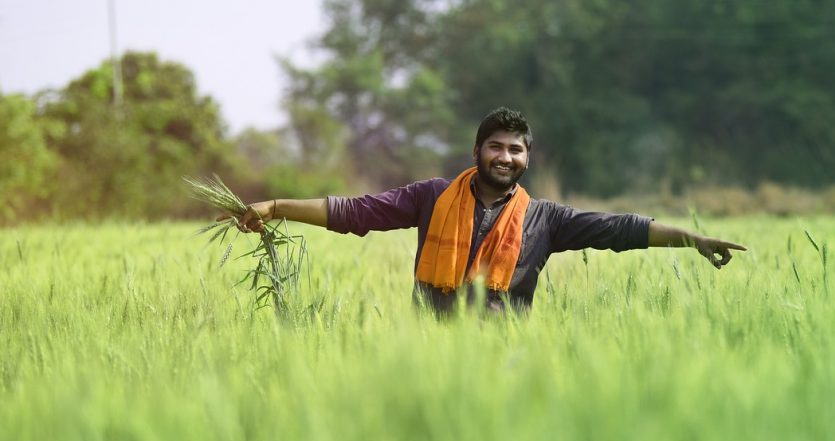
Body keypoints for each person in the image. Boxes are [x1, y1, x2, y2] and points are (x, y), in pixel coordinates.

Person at [227, 107, 746, 313]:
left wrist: (692, 239)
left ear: (527, 158)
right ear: (477, 152)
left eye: (515, 149)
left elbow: (620, 229)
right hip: (430, 354)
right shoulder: (431, 197)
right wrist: (276, 206)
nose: (505, 156)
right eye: (495, 146)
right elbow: (355, 211)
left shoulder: (547, 219)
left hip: (504, 365)